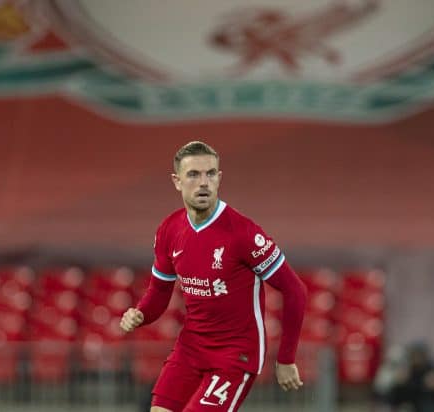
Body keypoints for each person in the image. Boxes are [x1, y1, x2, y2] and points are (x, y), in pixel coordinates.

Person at [120, 141, 308, 412]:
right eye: (194, 175)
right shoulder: (169, 230)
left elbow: (295, 290)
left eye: (210, 174)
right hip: (191, 348)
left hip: (235, 355)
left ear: (219, 178)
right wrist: (140, 314)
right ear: (177, 181)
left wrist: (286, 358)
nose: (203, 182)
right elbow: (160, 292)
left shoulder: (242, 233)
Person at [374, 341, 434, 412]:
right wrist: (398, 384)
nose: (417, 359)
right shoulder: (405, 373)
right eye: (414, 356)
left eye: (419, 355)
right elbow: (385, 398)